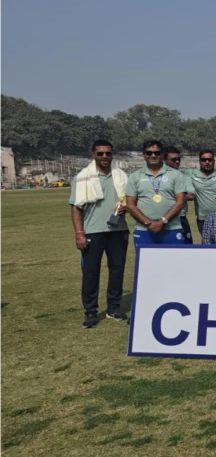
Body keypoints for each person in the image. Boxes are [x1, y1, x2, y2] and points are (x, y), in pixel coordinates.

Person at [70, 140, 129, 328]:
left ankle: (113, 308)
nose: (104, 157)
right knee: (90, 272)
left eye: (108, 154)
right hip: (93, 232)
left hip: (118, 230)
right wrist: (79, 233)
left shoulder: (121, 176)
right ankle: (90, 311)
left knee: (117, 271)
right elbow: (76, 208)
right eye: (100, 154)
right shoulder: (82, 177)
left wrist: (125, 209)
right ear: (93, 155)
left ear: (112, 155)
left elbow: (129, 201)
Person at [126, 140, 189, 246]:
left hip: (172, 228)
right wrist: (148, 223)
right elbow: (130, 205)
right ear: (144, 155)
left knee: (173, 262)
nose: (153, 155)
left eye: (157, 152)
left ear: (162, 154)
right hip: (144, 229)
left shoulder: (176, 174)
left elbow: (180, 203)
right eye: (149, 153)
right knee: (146, 263)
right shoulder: (135, 176)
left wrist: (162, 222)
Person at [187, 150, 216, 236]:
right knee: (206, 246)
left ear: (214, 161)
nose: (207, 162)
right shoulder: (190, 173)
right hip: (203, 219)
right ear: (199, 161)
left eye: (210, 160)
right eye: (204, 160)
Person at [163, 146, 195, 244]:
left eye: (178, 159)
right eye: (173, 159)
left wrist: (169, 195)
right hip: (162, 217)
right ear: (164, 160)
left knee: (187, 249)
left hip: (180, 217)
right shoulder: (159, 176)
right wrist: (179, 195)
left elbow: (191, 195)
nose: (177, 162)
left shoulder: (185, 176)